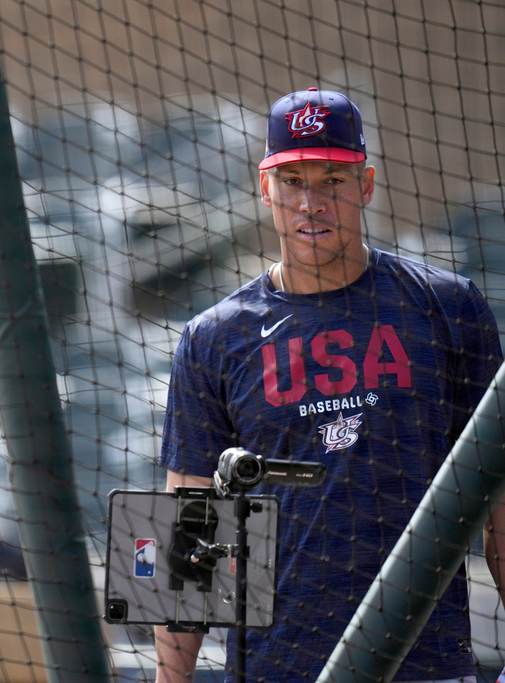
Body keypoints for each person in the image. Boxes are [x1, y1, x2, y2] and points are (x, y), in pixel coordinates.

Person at [155, 88, 502, 682]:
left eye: (333, 181)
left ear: (365, 185)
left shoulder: (448, 308)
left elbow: (500, 503)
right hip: (277, 667)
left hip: (427, 665)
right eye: (292, 181)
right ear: (266, 190)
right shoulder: (213, 339)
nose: (311, 203)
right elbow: (189, 528)